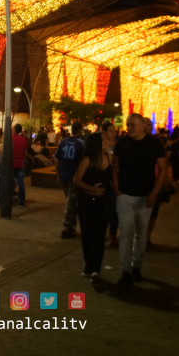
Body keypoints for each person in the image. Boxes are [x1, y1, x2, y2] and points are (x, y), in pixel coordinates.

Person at [112, 113, 167, 286]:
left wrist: (154, 193)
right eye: (128, 125)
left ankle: (137, 266)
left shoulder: (154, 143)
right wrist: (116, 188)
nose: (129, 128)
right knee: (126, 233)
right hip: (125, 195)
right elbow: (115, 166)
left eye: (133, 125)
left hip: (145, 195)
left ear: (143, 125)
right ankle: (126, 270)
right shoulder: (122, 142)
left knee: (141, 234)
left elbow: (163, 169)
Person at [73, 132, 111, 282]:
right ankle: (89, 265)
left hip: (103, 202)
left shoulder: (110, 158)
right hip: (87, 201)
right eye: (103, 140)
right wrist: (91, 189)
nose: (106, 141)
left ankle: (96, 268)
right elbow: (76, 180)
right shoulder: (87, 160)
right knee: (87, 234)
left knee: (100, 235)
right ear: (96, 144)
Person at [55, 122, 86, 238]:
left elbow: (57, 160)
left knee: (71, 201)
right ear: (79, 130)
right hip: (75, 177)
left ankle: (71, 227)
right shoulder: (81, 143)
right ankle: (66, 226)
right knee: (71, 203)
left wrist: (58, 175)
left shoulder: (63, 142)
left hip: (64, 175)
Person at [101, 121, 120, 247]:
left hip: (114, 182)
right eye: (110, 131)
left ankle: (112, 233)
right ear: (104, 132)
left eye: (114, 131)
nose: (113, 133)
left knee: (114, 209)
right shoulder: (99, 145)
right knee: (102, 209)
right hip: (102, 180)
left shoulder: (118, 146)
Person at [10, 124, 29, 207]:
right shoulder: (23, 140)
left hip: (11, 164)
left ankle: (10, 200)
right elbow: (26, 152)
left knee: (10, 182)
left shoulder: (9, 138)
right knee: (21, 184)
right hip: (20, 164)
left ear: (14, 129)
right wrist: (21, 159)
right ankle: (21, 202)